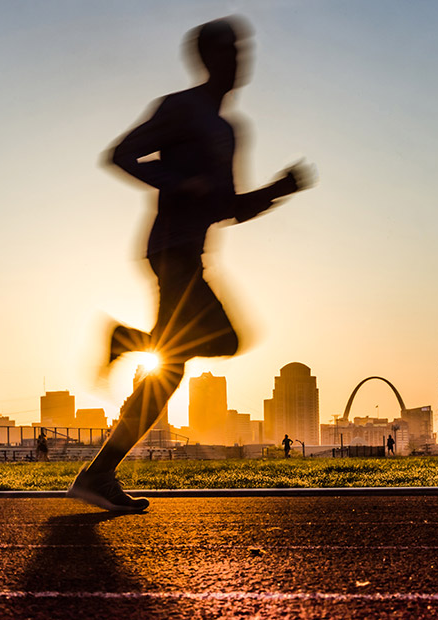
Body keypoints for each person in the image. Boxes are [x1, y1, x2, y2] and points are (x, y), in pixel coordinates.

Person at [68, 16, 315, 512]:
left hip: (191, 255)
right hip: (170, 249)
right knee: (196, 353)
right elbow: (121, 154)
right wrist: (180, 182)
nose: (239, 60)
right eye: (228, 51)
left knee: (199, 352)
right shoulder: (180, 109)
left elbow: (228, 208)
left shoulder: (229, 130)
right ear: (206, 59)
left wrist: (277, 191)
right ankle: (98, 471)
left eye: (243, 51)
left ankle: (98, 468)